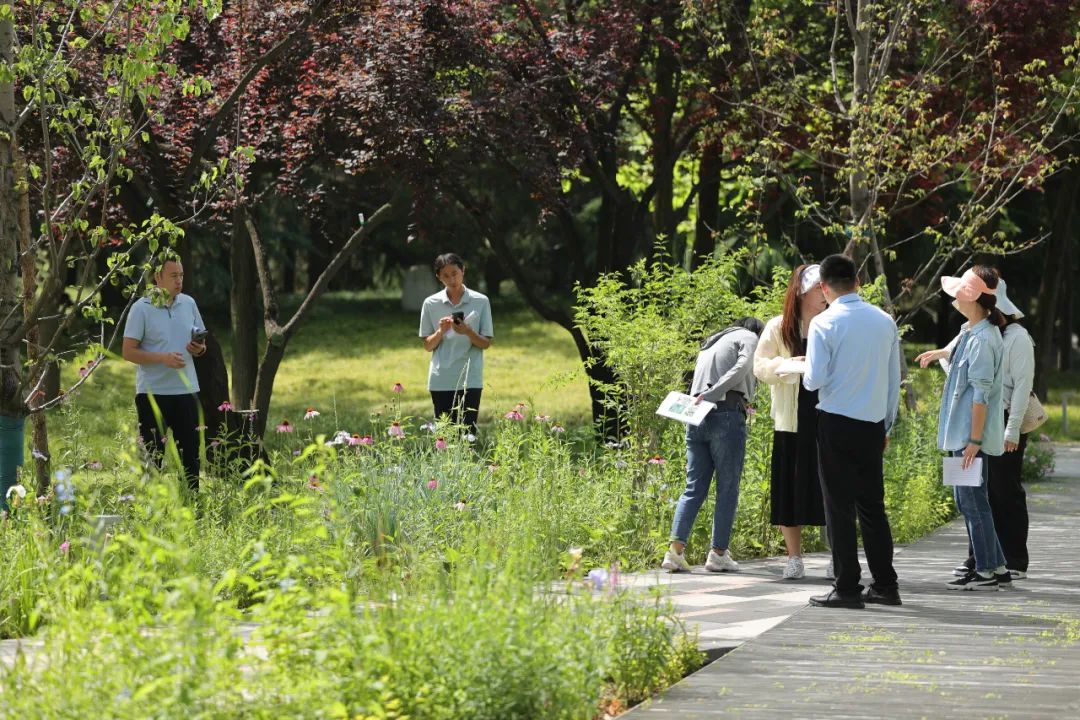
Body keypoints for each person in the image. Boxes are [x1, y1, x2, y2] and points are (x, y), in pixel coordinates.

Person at [917, 276, 1033, 580]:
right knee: (967, 498)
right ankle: (993, 564)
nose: (955, 301)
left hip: (970, 432)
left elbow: (982, 395)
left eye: (960, 295)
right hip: (961, 430)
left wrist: (974, 439)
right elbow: (957, 367)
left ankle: (987, 569)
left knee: (975, 498)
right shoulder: (971, 332)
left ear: (975, 300)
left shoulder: (984, 338)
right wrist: (942, 354)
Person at [804, 254, 902, 609]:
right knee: (873, 507)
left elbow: (814, 379)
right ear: (858, 281)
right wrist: (886, 424)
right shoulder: (884, 321)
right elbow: (893, 380)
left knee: (838, 507)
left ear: (823, 287)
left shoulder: (823, 323)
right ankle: (886, 585)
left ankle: (847, 587)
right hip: (873, 424)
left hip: (836, 421)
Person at [662, 317, 765, 573]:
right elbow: (743, 367)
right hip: (726, 414)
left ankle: (675, 552)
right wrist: (714, 392)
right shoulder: (749, 337)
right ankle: (718, 553)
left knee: (693, 487)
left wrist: (704, 396)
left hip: (696, 418)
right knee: (727, 486)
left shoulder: (711, 342)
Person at [753, 264, 829, 580]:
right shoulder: (778, 326)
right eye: (818, 288)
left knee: (830, 488)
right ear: (801, 292)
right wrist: (787, 364)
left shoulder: (831, 324)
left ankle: (837, 555)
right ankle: (794, 557)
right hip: (791, 417)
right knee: (789, 486)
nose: (825, 294)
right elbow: (760, 366)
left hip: (827, 416)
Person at [122, 257, 207, 490]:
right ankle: (150, 516)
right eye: (173, 276)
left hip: (187, 391)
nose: (179, 281)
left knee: (191, 459)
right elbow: (128, 352)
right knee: (151, 461)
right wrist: (163, 358)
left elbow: (201, 343)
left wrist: (199, 349)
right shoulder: (142, 308)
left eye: (181, 275)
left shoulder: (189, 303)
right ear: (157, 277)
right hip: (152, 394)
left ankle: (193, 512)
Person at [418, 253, 493, 435]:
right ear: (439, 277)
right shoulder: (431, 303)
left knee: (468, 436)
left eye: (455, 273)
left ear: (463, 271)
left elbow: (485, 344)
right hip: (441, 378)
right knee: (444, 437)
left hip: (470, 378)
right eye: (446, 276)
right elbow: (428, 346)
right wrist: (441, 331)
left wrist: (467, 331)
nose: (452, 279)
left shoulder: (481, 301)